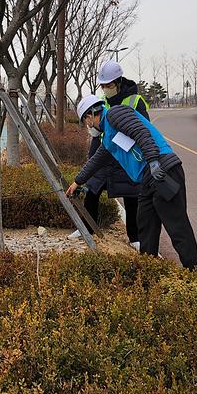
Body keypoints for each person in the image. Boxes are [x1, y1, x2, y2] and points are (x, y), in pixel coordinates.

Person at [66, 98, 197, 271]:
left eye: (85, 120)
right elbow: (97, 160)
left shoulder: (116, 113)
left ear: (90, 115)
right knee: (146, 225)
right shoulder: (107, 136)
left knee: (176, 225)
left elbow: (141, 132)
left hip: (162, 169)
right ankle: (148, 270)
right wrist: (77, 181)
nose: (87, 126)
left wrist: (153, 161)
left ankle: (194, 273)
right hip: (147, 178)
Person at [69, 60, 149, 251]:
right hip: (105, 155)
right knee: (92, 189)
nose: (105, 89)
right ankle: (86, 227)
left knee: (132, 196)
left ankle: (134, 237)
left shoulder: (135, 101)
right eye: (103, 85)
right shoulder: (102, 101)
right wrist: (90, 159)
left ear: (119, 82)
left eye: (109, 85)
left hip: (125, 156)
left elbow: (143, 130)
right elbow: (99, 133)